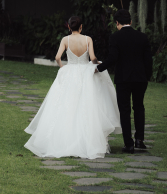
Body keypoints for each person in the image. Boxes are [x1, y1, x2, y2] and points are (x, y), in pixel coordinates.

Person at [24, 16, 121, 159]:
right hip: (85, 73)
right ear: (81, 27)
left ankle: (63, 140)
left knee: (66, 105)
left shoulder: (65, 40)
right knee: (86, 106)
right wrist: (97, 63)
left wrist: (63, 68)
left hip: (70, 72)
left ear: (69, 27)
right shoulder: (88, 39)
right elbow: (92, 57)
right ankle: (86, 141)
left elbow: (57, 57)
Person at [96, 9, 153, 153]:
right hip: (141, 79)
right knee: (139, 107)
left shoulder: (115, 37)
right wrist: (147, 76)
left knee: (125, 110)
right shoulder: (142, 37)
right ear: (131, 22)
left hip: (123, 79)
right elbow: (148, 60)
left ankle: (129, 144)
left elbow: (113, 57)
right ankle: (139, 140)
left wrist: (99, 68)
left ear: (117, 23)